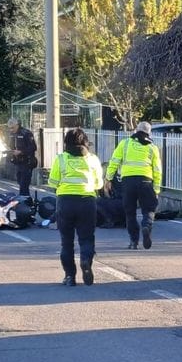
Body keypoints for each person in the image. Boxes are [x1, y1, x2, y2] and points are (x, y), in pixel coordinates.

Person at [48, 128, 104, 286]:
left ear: (67, 142)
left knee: (66, 242)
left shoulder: (61, 159)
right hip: (87, 202)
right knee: (86, 238)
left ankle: (70, 277)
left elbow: (52, 182)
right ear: (85, 141)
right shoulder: (92, 159)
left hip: (65, 202)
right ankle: (86, 260)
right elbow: (99, 183)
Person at [104, 121, 162, 250]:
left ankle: (133, 242)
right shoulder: (152, 148)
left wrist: (108, 179)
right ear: (149, 133)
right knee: (149, 209)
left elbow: (114, 162)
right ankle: (146, 225)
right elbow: (158, 170)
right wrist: (156, 190)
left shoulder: (125, 144)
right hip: (146, 181)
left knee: (130, 213)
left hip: (128, 182)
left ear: (136, 130)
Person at [8, 118, 37, 196]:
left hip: (27, 162)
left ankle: (25, 202)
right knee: (20, 182)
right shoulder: (12, 134)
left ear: (17, 125)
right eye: (10, 128)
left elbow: (33, 147)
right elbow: (11, 146)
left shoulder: (26, 133)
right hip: (18, 162)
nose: (11, 129)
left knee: (24, 185)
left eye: (13, 127)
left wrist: (21, 152)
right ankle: (26, 201)